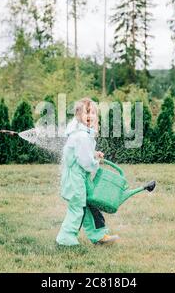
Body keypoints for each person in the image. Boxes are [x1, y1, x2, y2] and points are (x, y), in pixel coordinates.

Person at [56, 97, 119, 246]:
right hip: (75, 179)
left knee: (90, 205)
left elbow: (82, 155)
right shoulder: (82, 136)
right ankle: (65, 239)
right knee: (77, 209)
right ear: (78, 115)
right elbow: (85, 163)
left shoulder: (82, 133)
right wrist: (95, 161)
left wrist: (94, 154)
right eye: (87, 112)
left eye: (93, 113)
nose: (90, 116)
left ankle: (98, 235)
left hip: (79, 178)